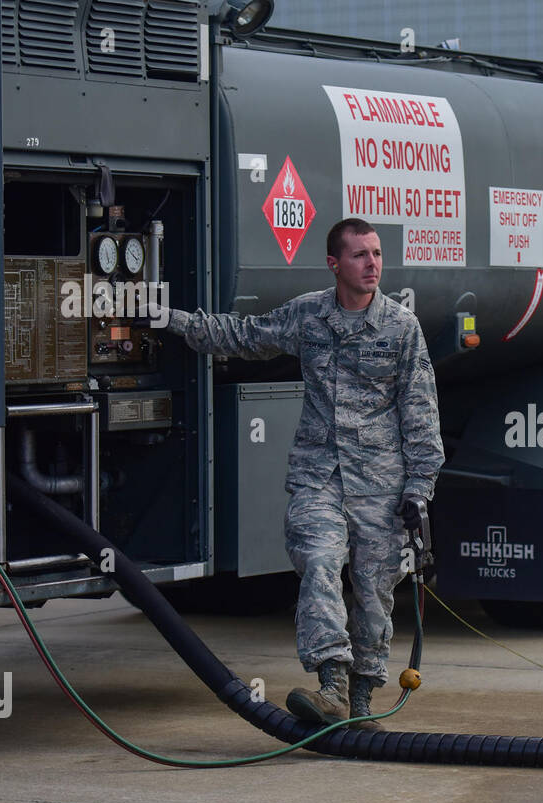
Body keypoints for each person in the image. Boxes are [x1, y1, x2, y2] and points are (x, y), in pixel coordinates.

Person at [155, 217, 443, 731]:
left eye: (377, 253)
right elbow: (243, 336)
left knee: (375, 593)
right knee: (319, 561)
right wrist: (171, 319)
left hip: (381, 486)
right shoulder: (308, 315)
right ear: (334, 264)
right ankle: (331, 681)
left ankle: (361, 703)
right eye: (359, 255)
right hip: (319, 477)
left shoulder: (402, 328)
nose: (372, 264)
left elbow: (421, 417)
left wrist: (419, 492)